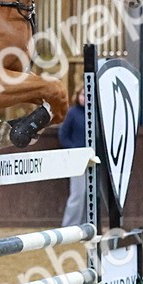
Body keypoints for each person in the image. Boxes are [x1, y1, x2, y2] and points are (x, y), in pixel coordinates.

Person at [59, 88, 87, 227]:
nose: (86, 98)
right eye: (83, 95)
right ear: (78, 96)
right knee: (77, 194)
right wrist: (74, 151)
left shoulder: (95, 115)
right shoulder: (72, 113)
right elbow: (63, 136)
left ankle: (86, 226)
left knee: (91, 195)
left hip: (93, 159)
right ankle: (69, 226)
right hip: (77, 160)